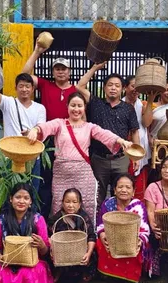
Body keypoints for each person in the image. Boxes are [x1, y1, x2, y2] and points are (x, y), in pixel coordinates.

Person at [27, 92, 132, 222]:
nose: (76, 109)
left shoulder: (90, 127)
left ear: (84, 108)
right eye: (73, 105)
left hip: (83, 172)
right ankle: (59, 236)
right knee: (58, 204)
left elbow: (104, 134)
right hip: (61, 172)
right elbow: (46, 127)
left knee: (87, 205)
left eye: (79, 106)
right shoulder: (59, 123)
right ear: (67, 106)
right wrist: (35, 130)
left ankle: (87, 236)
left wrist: (121, 141)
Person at [23, 40, 77, 217]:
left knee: (63, 179)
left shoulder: (75, 91)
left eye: (64, 68)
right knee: (44, 178)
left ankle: (64, 216)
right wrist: (37, 51)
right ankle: (42, 217)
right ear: (53, 71)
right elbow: (23, 76)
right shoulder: (46, 85)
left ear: (69, 71)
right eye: (57, 68)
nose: (61, 71)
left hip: (67, 140)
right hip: (46, 138)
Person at [77, 64, 140, 208]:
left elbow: (134, 131)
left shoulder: (128, 109)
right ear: (104, 87)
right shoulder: (95, 103)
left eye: (117, 85)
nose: (113, 88)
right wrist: (94, 68)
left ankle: (118, 225)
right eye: (110, 85)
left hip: (121, 158)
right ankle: (96, 225)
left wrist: (136, 156)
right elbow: (80, 87)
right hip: (99, 158)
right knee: (97, 194)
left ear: (122, 89)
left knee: (120, 193)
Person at [0, 183, 54, 283]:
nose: (21, 201)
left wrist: (41, 245)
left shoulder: (38, 220)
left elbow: (45, 252)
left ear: (31, 202)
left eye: (26, 198)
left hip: (33, 262)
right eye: (18, 197)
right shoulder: (1, 220)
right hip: (9, 261)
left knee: (29, 272)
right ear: (11, 199)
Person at [0, 72, 46, 192]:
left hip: (32, 157)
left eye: (27, 86)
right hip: (10, 156)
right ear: (15, 88)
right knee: (9, 193)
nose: (24, 89)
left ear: (33, 88)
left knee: (31, 193)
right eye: (21, 86)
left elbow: (41, 128)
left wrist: (32, 132)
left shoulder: (40, 108)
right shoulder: (8, 103)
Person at [96, 174, 151, 283]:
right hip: (112, 242)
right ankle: (109, 274)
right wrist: (102, 235)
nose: (124, 190)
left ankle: (129, 276)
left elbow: (145, 229)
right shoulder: (108, 204)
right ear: (115, 190)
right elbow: (100, 225)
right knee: (99, 243)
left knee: (138, 248)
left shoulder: (138, 206)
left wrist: (139, 241)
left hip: (131, 242)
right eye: (120, 187)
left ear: (133, 191)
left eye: (128, 187)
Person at [48, 188, 97, 282]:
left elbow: (91, 236)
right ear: (62, 203)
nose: (71, 205)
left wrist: (88, 253)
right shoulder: (56, 218)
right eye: (67, 202)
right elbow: (49, 236)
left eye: (74, 202)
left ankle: (85, 272)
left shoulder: (83, 217)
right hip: (61, 253)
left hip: (79, 252)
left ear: (79, 204)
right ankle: (58, 272)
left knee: (93, 252)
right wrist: (51, 250)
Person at [122, 75, 153, 200]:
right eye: (132, 86)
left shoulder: (144, 105)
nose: (135, 90)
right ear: (125, 88)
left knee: (140, 184)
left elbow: (146, 123)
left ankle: (138, 210)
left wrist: (150, 101)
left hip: (140, 148)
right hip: (124, 148)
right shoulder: (120, 104)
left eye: (138, 87)